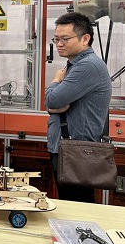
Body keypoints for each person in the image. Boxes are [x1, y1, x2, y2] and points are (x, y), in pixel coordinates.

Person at [45, 12, 111, 203]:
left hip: (77, 154)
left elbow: (52, 100)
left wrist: (56, 80)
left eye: (65, 39)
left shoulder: (88, 66)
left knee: (77, 209)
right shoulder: (75, 64)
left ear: (85, 39)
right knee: (70, 206)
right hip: (70, 150)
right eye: (56, 39)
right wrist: (54, 105)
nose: (59, 44)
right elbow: (54, 104)